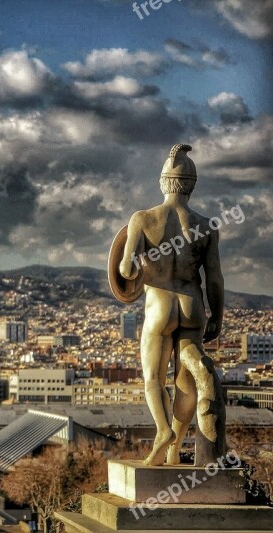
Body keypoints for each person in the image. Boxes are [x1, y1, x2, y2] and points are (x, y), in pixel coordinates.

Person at [118, 144, 226, 466]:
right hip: (193, 305)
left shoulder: (142, 219)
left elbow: (125, 269)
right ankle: (175, 448)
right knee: (186, 383)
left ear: (163, 182)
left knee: (153, 378)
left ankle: (163, 431)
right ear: (191, 185)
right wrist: (217, 316)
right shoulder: (207, 226)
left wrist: (135, 267)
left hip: (159, 306)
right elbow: (215, 279)